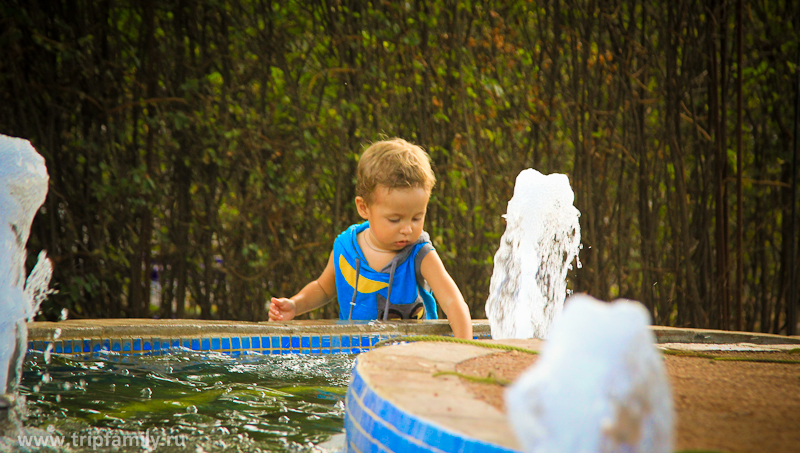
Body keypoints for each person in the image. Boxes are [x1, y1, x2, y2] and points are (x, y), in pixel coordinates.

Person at [268, 138, 473, 339]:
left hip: (412, 356)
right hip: (353, 354)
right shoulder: (345, 248)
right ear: (364, 207)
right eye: (395, 219)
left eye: (417, 217)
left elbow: (453, 302)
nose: (408, 229)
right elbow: (323, 288)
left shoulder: (420, 254)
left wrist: (464, 347)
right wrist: (295, 305)